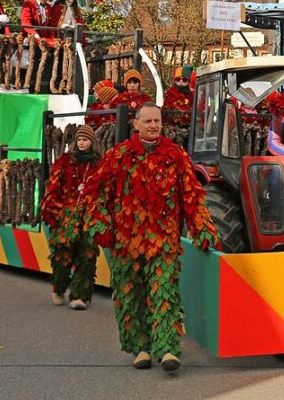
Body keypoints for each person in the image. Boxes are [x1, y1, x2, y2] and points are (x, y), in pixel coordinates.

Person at [82, 104, 218, 372]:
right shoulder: (119, 155)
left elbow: (191, 195)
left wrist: (201, 227)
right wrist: (99, 223)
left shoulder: (176, 156)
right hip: (126, 240)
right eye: (148, 121)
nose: (153, 125)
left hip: (163, 239)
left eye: (157, 121)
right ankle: (140, 348)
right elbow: (95, 190)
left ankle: (167, 348)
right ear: (136, 124)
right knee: (130, 295)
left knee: (164, 292)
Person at [41, 124, 99, 310]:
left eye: (85, 140)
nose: (82, 143)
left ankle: (80, 296)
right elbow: (54, 186)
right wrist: (54, 210)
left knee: (87, 254)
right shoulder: (65, 161)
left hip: (88, 215)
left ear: (92, 142)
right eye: (79, 140)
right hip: (65, 214)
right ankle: (59, 288)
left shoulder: (98, 163)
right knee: (62, 256)